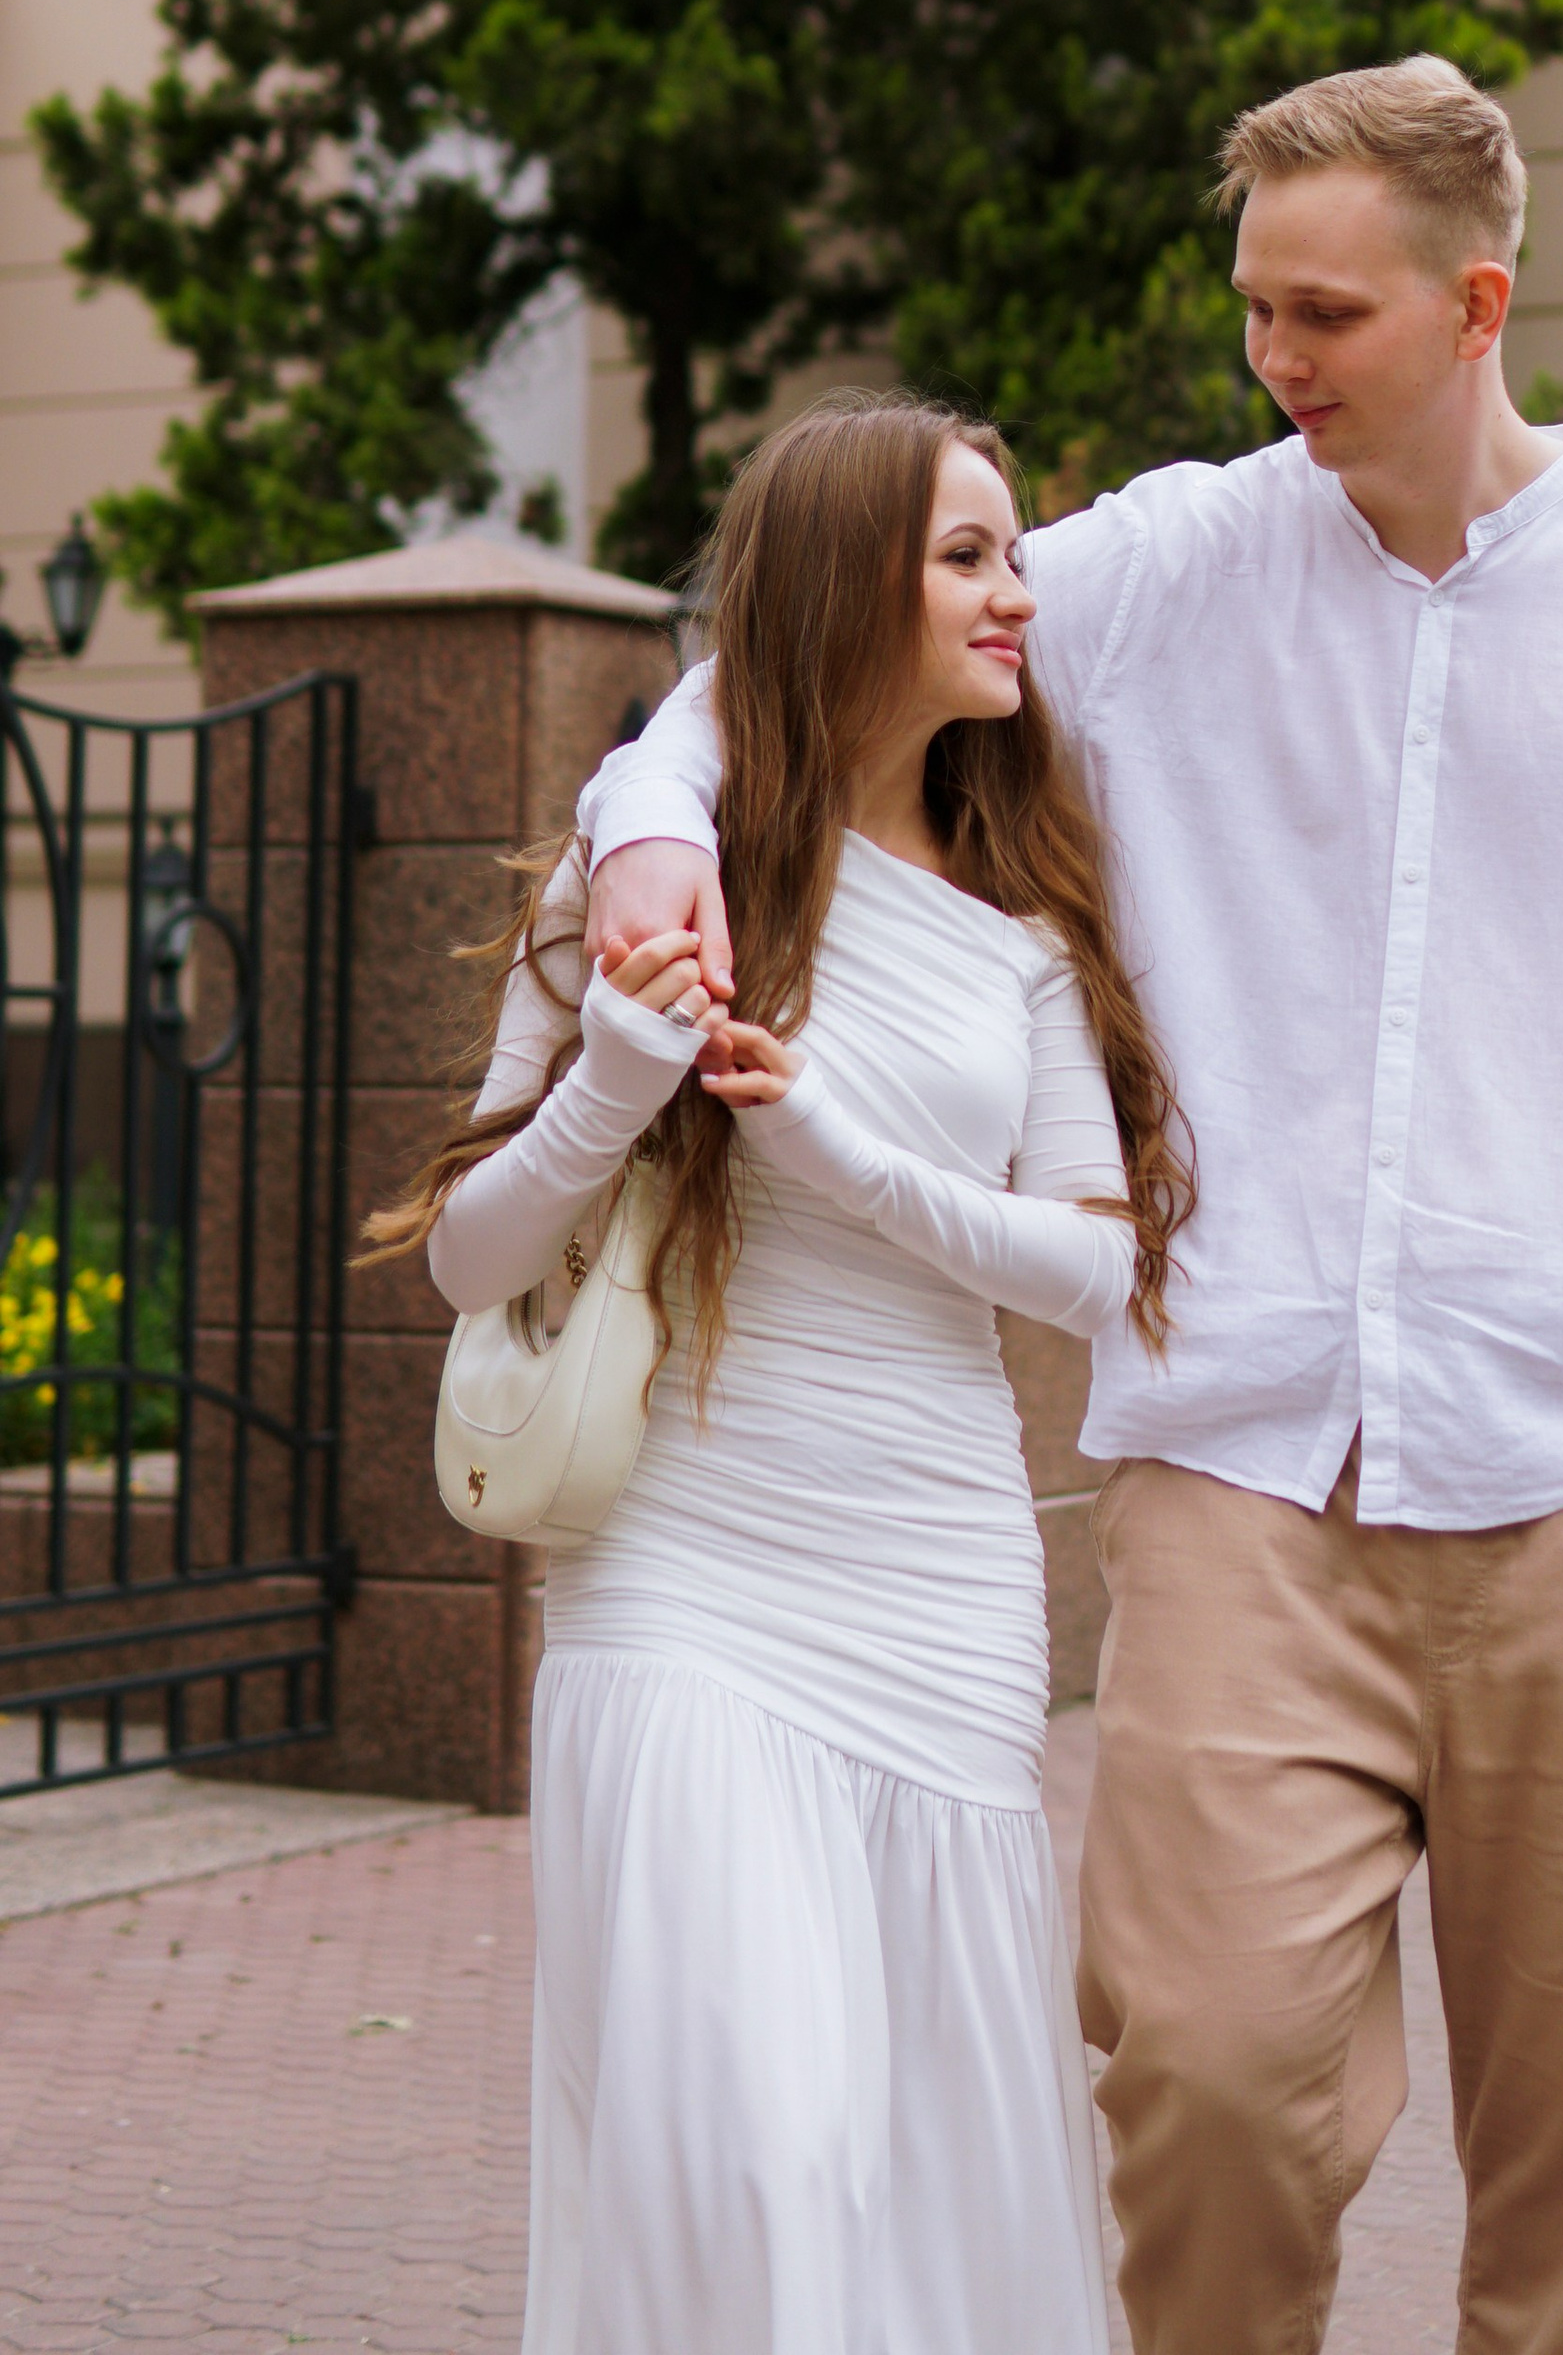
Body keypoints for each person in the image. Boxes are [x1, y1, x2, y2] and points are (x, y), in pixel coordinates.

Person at [583, 53, 1563, 2355]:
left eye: (1323, 315)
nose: (1271, 359)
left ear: (1473, 302)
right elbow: (775, 659)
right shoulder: (1177, 564)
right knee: (1199, 2077)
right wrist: (652, 829)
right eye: (1251, 310)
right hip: (1238, 1474)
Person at [365, 397, 1192, 2353]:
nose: (1018, 593)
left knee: (912, 2150)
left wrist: (847, 1161)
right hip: (678, 1573)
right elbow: (474, 1263)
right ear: (839, 588)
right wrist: (614, 1088)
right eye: (967, 555)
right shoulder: (642, 881)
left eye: (1015, 552)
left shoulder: (1019, 939)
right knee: (749, 2146)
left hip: (932, 1583)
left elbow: (1099, 1272)